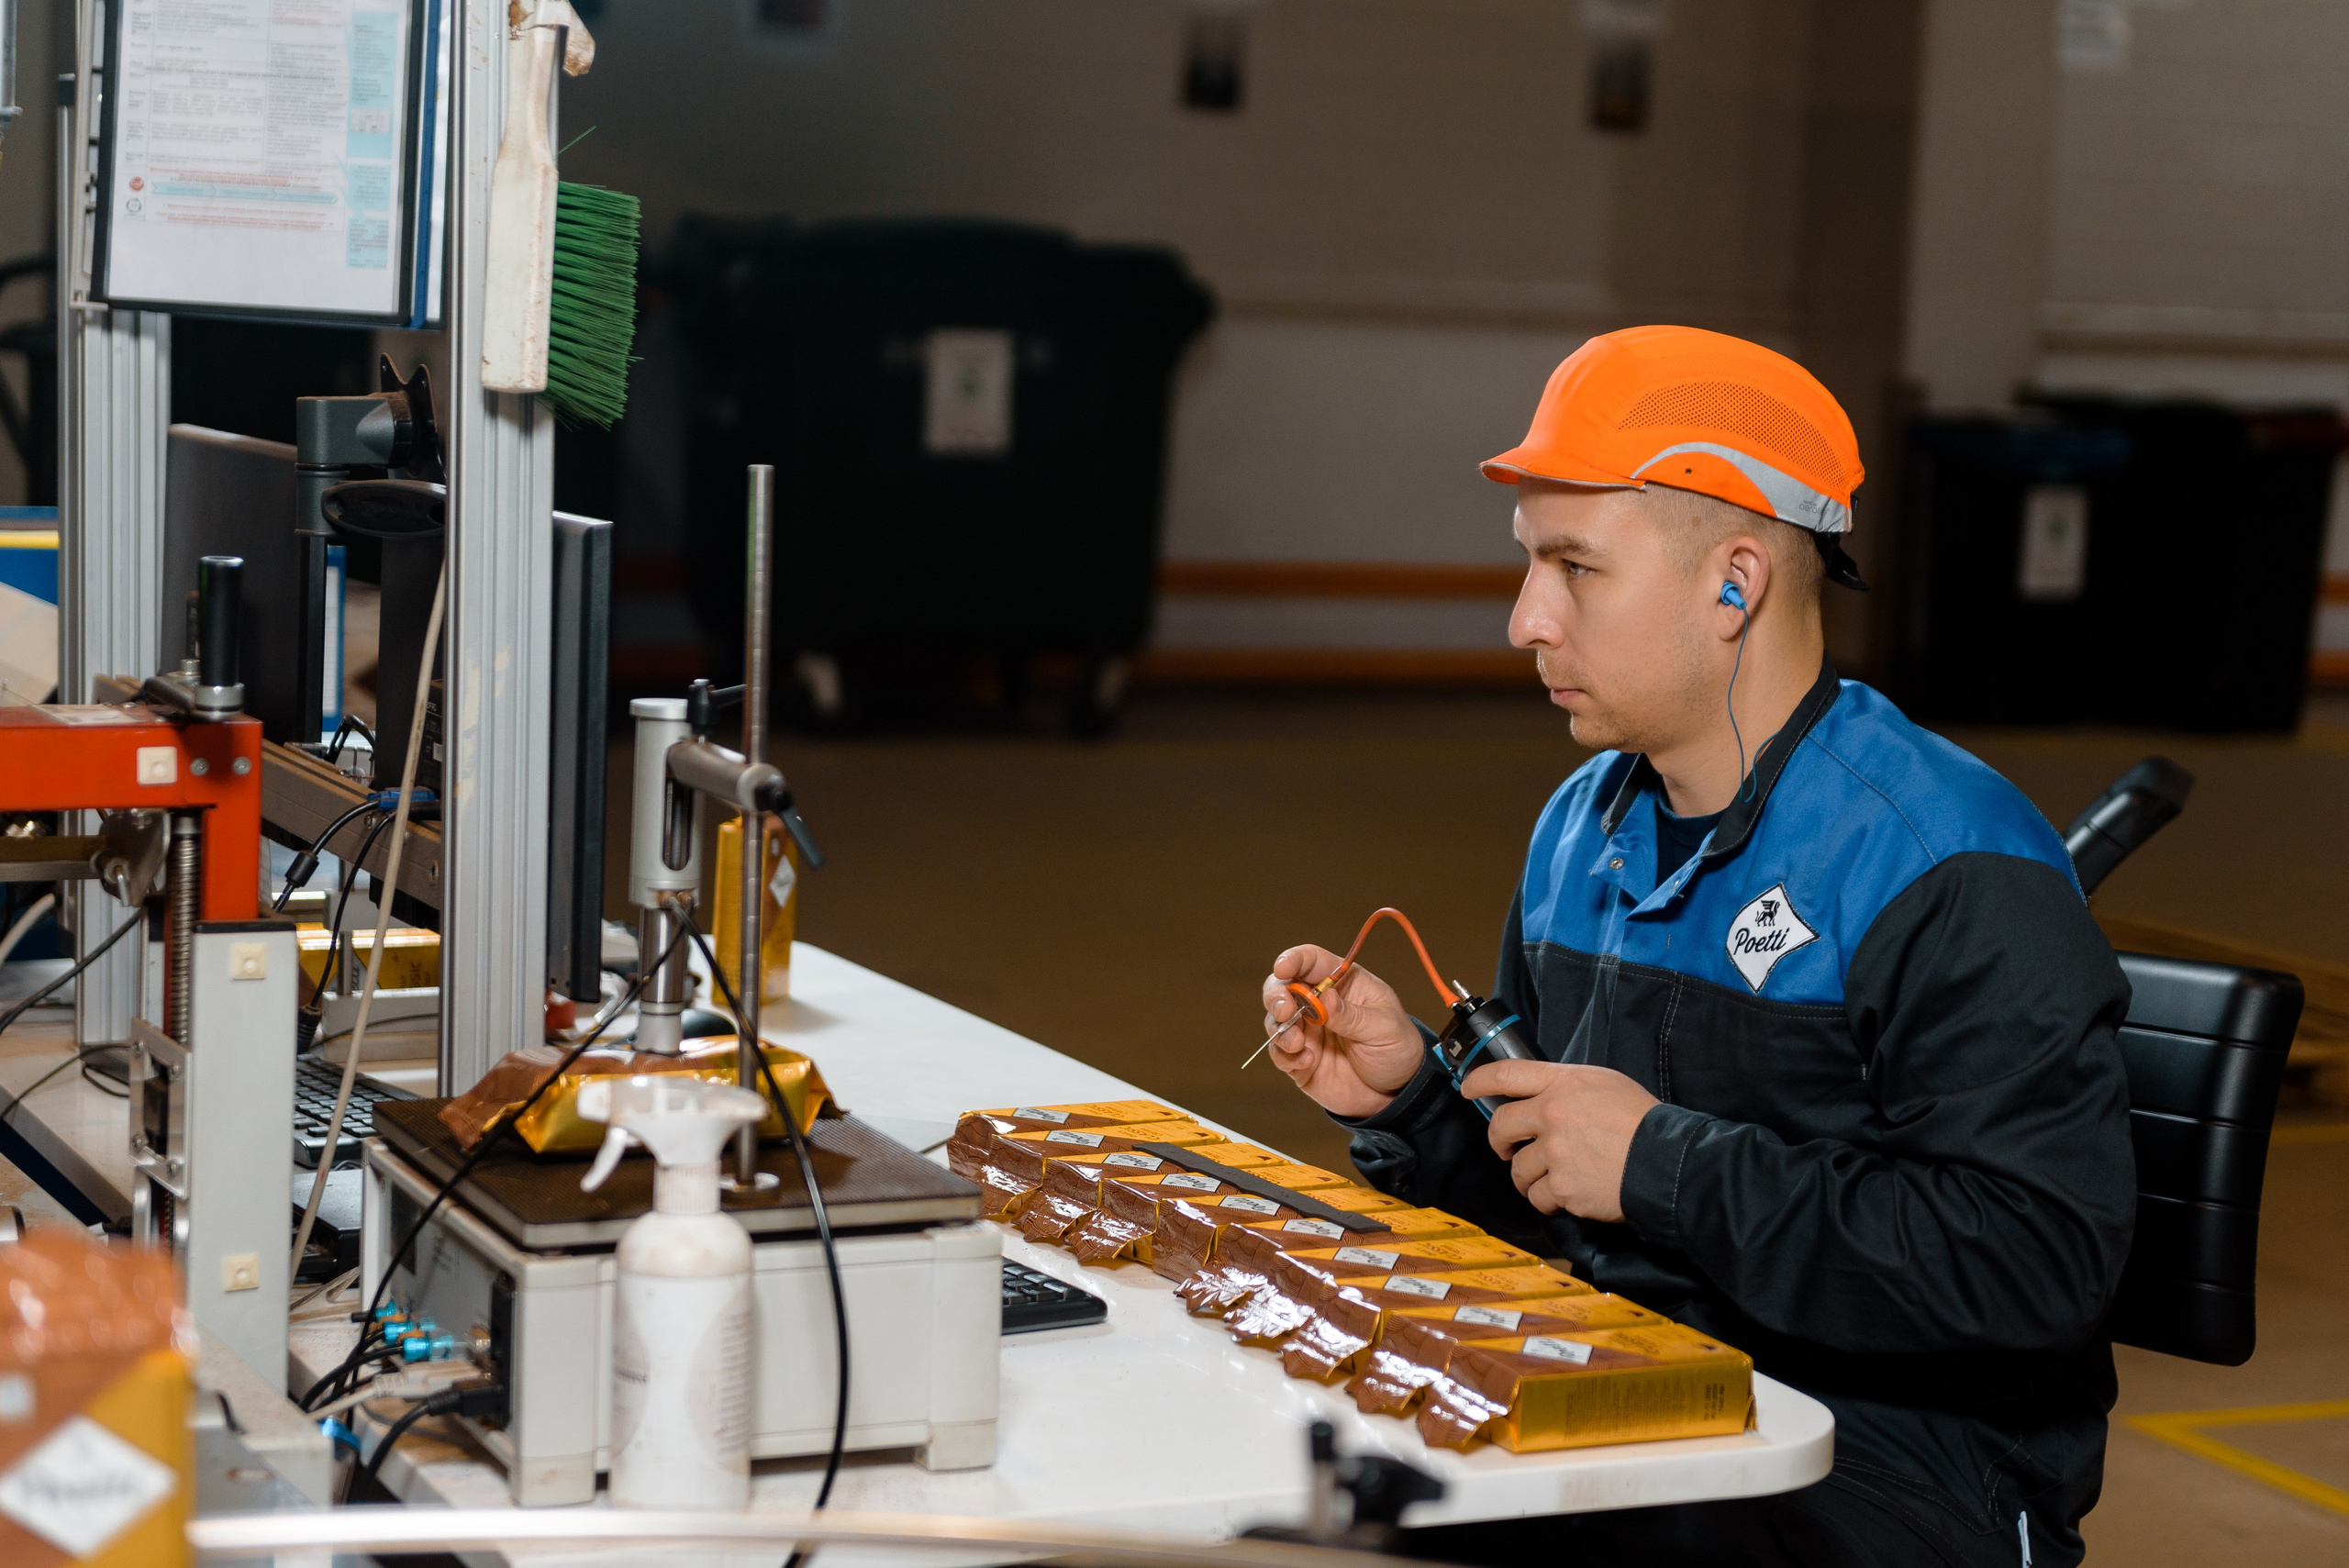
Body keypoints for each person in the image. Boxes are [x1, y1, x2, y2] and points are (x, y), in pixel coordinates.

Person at [1261, 326, 2135, 1568]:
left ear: (1736, 582)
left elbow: (2035, 1263)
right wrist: (1417, 1102)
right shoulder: (1581, 829)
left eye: (1575, 567)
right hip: (1638, 1393)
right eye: (1529, 565)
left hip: (1886, 1465)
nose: (1524, 620)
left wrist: (1664, 1163)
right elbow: (1567, 1217)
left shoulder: (1945, 865)